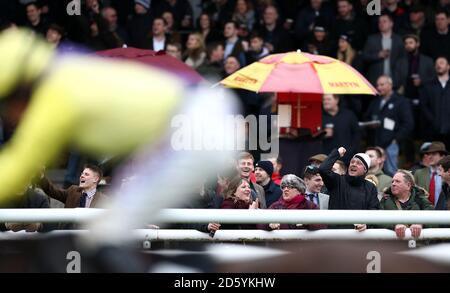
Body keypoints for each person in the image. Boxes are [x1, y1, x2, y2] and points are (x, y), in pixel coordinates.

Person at [0, 28, 238, 248]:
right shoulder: (66, 68)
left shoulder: (56, 93)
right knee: (108, 235)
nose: (8, 112)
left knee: (105, 236)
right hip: (202, 117)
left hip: (193, 131)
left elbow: (18, 166)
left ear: (22, 83)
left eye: (7, 100)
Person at [319, 147, 380, 230]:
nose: (353, 164)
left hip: (359, 235)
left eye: (358, 163)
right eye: (352, 162)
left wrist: (367, 225)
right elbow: (323, 169)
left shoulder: (370, 187)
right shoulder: (338, 181)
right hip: (336, 234)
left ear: (365, 170)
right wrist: (337, 153)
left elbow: (373, 210)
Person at [259, 174, 326, 231]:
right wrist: (269, 224)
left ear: (299, 190)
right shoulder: (275, 206)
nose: (285, 189)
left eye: (290, 187)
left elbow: (322, 224)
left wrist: (308, 223)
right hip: (281, 244)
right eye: (283, 187)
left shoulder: (309, 206)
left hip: (303, 244)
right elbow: (260, 223)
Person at [380, 169, 434, 239]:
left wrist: (420, 223)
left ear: (408, 185)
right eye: (392, 181)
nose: (393, 184)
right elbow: (377, 221)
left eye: (397, 181)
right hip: (393, 245)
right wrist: (394, 226)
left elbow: (433, 218)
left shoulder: (420, 199)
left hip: (418, 245)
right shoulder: (385, 200)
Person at [414, 141, 448, 207]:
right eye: (429, 154)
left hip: (444, 213)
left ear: (442, 156)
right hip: (424, 212)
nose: (430, 157)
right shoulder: (419, 173)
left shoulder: (447, 174)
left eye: (434, 154)